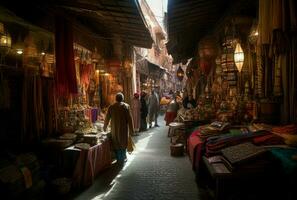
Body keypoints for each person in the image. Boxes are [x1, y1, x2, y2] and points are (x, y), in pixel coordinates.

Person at [103, 92, 134, 164]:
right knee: (123, 143)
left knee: (116, 143)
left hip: (114, 129)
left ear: (116, 99)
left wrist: (105, 127)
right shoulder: (126, 106)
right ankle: (122, 157)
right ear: (122, 99)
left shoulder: (111, 107)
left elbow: (107, 118)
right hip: (124, 129)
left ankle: (119, 159)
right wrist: (132, 129)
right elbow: (130, 119)